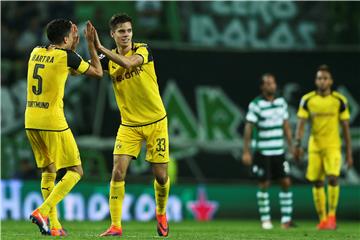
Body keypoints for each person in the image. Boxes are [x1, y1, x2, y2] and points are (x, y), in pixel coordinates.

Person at [90, 13, 170, 237]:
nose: (126, 35)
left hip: (156, 122)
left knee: (161, 176)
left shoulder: (143, 50)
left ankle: (161, 213)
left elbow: (127, 63)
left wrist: (99, 48)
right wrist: (88, 46)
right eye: (121, 31)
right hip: (129, 126)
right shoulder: (107, 59)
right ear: (113, 34)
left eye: (129, 31)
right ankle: (116, 225)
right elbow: (92, 70)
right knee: (117, 172)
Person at [25, 19, 103, 236]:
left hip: (31, 120)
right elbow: (97, 72)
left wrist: (72, 46)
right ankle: (42, 211)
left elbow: (68, 67)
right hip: (52, 121)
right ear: (67, 38)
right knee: (76, 171)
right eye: (72, 35)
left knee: (48, 171)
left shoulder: (35, 51)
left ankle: (55, 226)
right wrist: (89, 44)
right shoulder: (67, 56)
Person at [294, 64, 353, 230]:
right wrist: (298, 144)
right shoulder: (308, 100)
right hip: (315, 147)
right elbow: (301, 124)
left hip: (333, 146)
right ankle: (323, 219)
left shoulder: (339, 101)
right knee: (317, 182)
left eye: (325, 78)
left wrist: (349, 152)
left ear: (331, 81)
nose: (322, 81)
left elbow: (346, 127)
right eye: (319, 78)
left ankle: (332, 217)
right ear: (315, 80)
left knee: (333, 178)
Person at [242, 73, 295, 230]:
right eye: (268, 83)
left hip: (279, 151)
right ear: (262, 87)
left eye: (273, 83)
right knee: (264, 184)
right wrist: (246, 151)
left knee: (286, 182)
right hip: (263, 151)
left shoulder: (281, 103)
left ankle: (286, 220)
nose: (272, 85)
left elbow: (285, 125)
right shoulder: (256, 104)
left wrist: (291, 146)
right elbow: (248, 128)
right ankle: (265, 220)